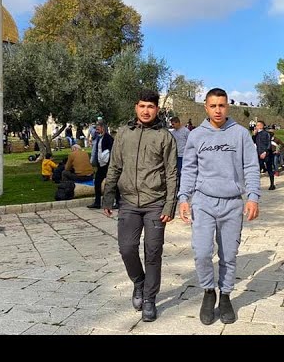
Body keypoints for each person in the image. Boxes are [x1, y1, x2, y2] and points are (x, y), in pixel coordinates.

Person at [178, 88, 260, 325]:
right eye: (213, 106)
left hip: (232, 203)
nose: (217, 110)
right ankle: (208, 291)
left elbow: (251, 168)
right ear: (206, 107)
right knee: (202, 252)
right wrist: (184, 198)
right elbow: (190, 169)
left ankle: (225, 295)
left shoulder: (241, 134)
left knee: (229, 255)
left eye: (221, 105)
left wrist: (253, 196)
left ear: (227, 107)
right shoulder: (196, 136)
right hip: (203, 201)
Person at [102, 89, 178, 322]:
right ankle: (139, 282)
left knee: (153, 252)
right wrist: (108, 195)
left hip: (155, 203)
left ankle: (149, 299)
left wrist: (169, 205)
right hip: (128, 204)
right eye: (142, 106)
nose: (146, 111)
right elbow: (114, 166)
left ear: (157, 110)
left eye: (151, 107)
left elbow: (172, 173)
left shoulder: (165, 137)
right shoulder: (124, 133)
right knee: (127, 249)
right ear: (136, 107)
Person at [87, 121, 119, 209]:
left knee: (112, 183)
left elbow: (112, 150)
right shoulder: (99, 138)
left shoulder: (108, 138)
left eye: (98, 129)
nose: (96, 131)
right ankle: (97, 202)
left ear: (102, 128)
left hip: (108, 165)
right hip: (101, 165)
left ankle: (118, 201)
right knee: (97, 182)